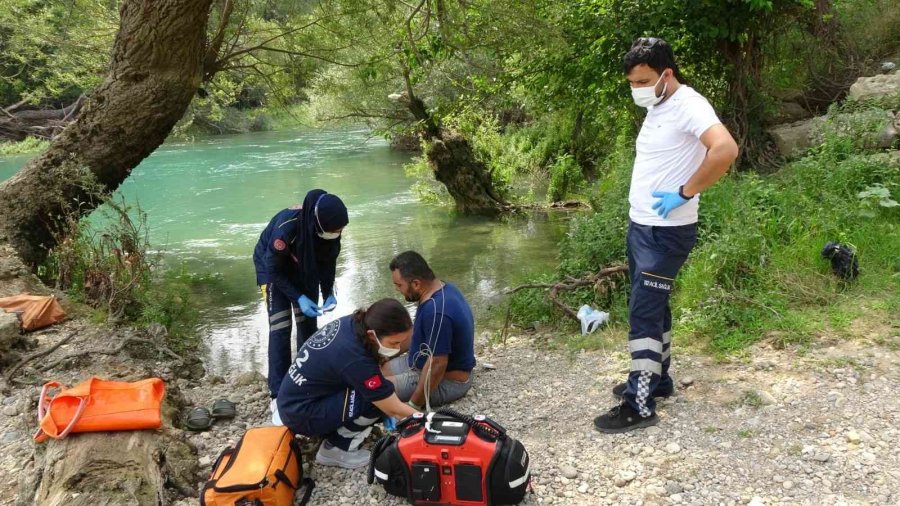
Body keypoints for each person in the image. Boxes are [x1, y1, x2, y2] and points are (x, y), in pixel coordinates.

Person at [593, 37, 739, 433]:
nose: (637, 90)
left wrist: (684, 192)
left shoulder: (689, 104)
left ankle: (638, 404)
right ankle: (659, 380)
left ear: (666, 74)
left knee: (643, 311)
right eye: (632, 84)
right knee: (654, 305)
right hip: (642, 227)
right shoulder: (659, 106)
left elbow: (725, 149)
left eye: (643, 81)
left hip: (666, 233)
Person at [274, 298, 421, 469]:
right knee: (373, 400)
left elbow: (375, 367)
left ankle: (335, 428)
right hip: (300, 413)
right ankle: (335, 448)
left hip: (296, 401)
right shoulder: (353, 355)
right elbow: (392, 406)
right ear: (373, 335)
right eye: (394, 343)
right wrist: (425, 421)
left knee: (378, 390)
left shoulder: (357, 323)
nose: (397, 348)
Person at [252, 189, 348, 405]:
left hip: (304, 267)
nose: (338, 232)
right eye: (334, 229)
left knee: (308, 325)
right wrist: (299, 297)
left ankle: (307, 379)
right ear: (318, 224)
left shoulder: (330, 231)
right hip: (272, 268)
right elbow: (273, 269)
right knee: (280, 326)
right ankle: (278, 392)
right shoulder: (286, 232)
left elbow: (328, 262)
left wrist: (328, 293)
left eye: (340, 229)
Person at [386, 251, 475, 410]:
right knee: (374, 371)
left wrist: (413, 406)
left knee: (376, 388)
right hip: (418, 363)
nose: (397, 290)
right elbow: (416, 334)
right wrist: (385, 353)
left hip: (447, 381)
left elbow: (437, 365)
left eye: (399, 285)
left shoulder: (436, 311)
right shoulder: (439, 289)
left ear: (416, 284)